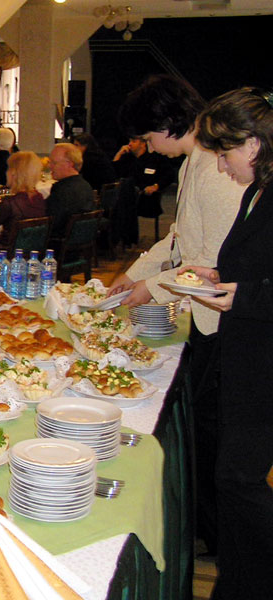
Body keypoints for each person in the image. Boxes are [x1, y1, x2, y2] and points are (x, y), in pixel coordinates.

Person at [107, 75, 245, 558]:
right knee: (205, 431)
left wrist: (152, 287)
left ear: (169, 123)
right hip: (206, 317)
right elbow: (176, 241)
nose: (147, 147)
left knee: (214, 435)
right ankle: (207, 528)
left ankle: (222, 538)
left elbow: (212, 262)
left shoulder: (214, 170)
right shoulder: (193, 164)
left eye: (148, 136)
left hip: (225, 321)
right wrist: (134, 274)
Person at [177, 87, 273, 600]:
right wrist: (217, 275)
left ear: (253, 145)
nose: (220, 165)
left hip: (263, 360)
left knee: (240, 480)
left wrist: (246, 295)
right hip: (244, 353)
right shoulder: (257, 191)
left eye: (225, 152)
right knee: (233, 478)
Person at [113, 136, 176, 219]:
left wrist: (156, 186)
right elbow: (113, 174)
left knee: (119, 207)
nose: (129, 144)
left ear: (143, 144)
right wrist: (119, 154)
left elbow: (170, 175)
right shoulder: (128, 158)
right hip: (127, 196)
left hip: (146, 198)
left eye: (133, 141)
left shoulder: (155, 159)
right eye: (129, 141)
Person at [45, 143, 95, 238]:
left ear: (69, 164)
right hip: (79, 239)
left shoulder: (63, 192)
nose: (49, 166)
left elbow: (51, 224)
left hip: (58, 241)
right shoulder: (85, 185)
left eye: (54, 163)